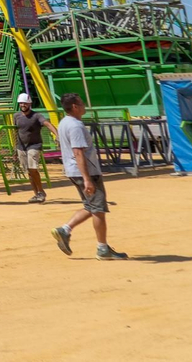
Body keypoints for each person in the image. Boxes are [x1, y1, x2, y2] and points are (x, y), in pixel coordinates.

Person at [51, 93, 127, 260]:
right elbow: (78, 152)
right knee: (98, 209)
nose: (85, 105)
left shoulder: (64, 122)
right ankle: (102, 248)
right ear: (75, 107)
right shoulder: (76, 126)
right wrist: (87, 178)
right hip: (85, 172)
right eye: (82, 103)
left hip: (73, 170)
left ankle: (65, 230)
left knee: (91, 205)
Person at [12, 92, 58, 202]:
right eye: (21, 103)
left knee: (33, 168)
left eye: (25, 103)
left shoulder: (36, 115)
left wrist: (57, 134)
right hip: (21, 147)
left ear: (29, 103)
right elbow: (15, 132)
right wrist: (14, 150)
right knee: (29, 171)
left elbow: (47, 124)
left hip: (34, 145)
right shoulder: (16, 116)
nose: (23, 105)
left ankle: (41, 191)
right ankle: (36, 194)